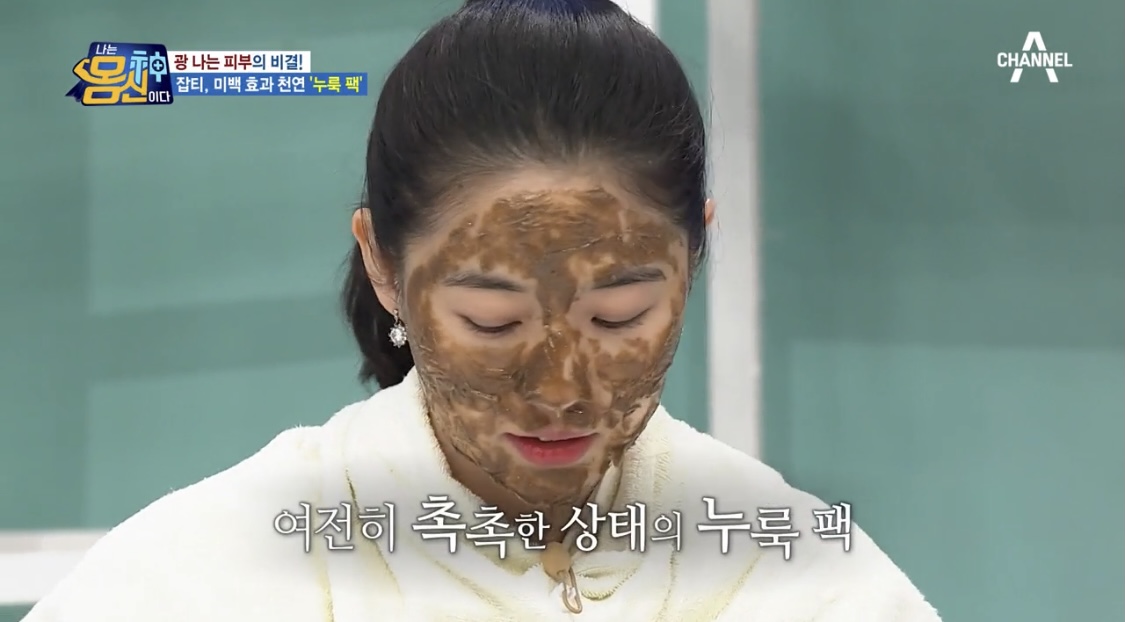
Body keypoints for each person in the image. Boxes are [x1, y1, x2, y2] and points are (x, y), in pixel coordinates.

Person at [24, 1, 941, 620]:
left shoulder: (803, 578)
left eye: (619, 315)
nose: (560, 391)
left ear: (694, 252)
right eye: (492, 322)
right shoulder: (203, 577)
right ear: (383, 264)